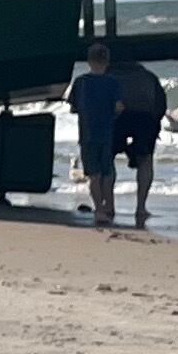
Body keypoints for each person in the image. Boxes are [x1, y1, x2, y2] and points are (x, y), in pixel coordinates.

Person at [65, 40, 124, 228]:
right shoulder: (113, 82)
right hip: (106, 133)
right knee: (106, 173)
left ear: (89, 61)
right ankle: (108, 206)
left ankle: (99, 209)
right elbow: (118, 107)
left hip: (87, 134)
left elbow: (73, 107)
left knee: (94, 175)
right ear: (107, 62)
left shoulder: (81, 82)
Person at [112, 46, 169, 228]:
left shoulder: (108, 76)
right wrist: (155, 131)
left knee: (108, 160)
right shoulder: (149, 77)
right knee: (146, 161)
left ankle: (108, 204)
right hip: (145, 119)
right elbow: (160, 107)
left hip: (117, 119)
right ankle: (141, 207)